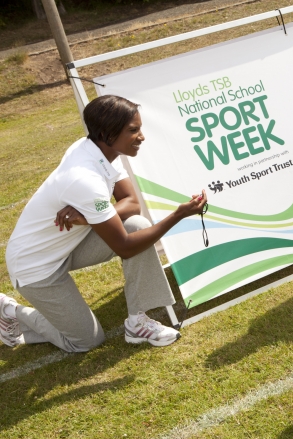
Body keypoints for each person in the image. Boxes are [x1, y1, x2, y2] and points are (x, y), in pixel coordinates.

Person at [1, 95, 207, 352]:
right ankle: (10, 311)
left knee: (137, 224)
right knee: (86, 341)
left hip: (69, 245)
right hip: (35, 265)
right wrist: (177, 215)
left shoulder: (103, 150)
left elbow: (131, 203)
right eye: (133, 130)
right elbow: (125, 247)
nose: (141, 136)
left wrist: (89, 218)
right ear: (107, 133)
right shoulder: (84, 179)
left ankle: (137, 321)